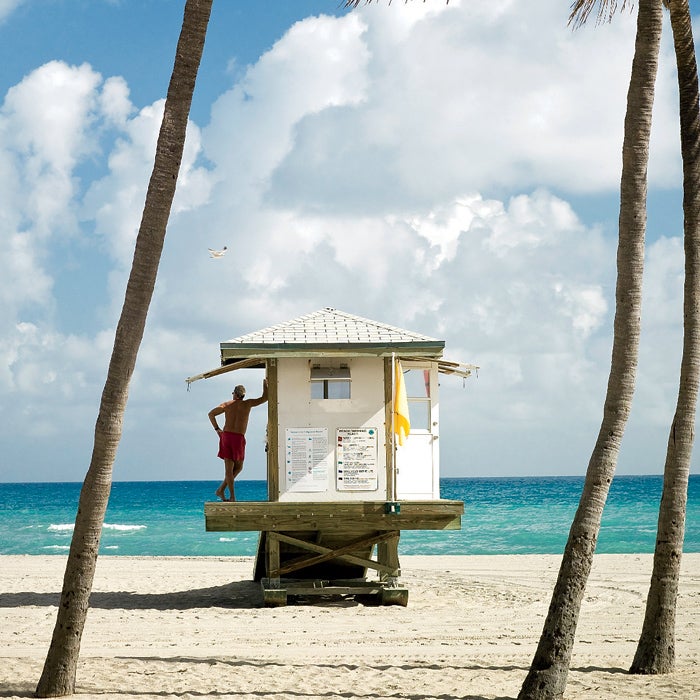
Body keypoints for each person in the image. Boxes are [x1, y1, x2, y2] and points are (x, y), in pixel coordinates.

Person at [208, 379, 268, 501]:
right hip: (238, 438)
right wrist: (264, 384)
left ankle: (223, 492)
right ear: (243, 395)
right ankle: (230, 496)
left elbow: (211, 414)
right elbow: (265, 398)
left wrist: (217, 429)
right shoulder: (248, 404)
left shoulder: (226, 405)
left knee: (230, 469)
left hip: (226, 436)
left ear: (235, 394)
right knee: (238, 468)